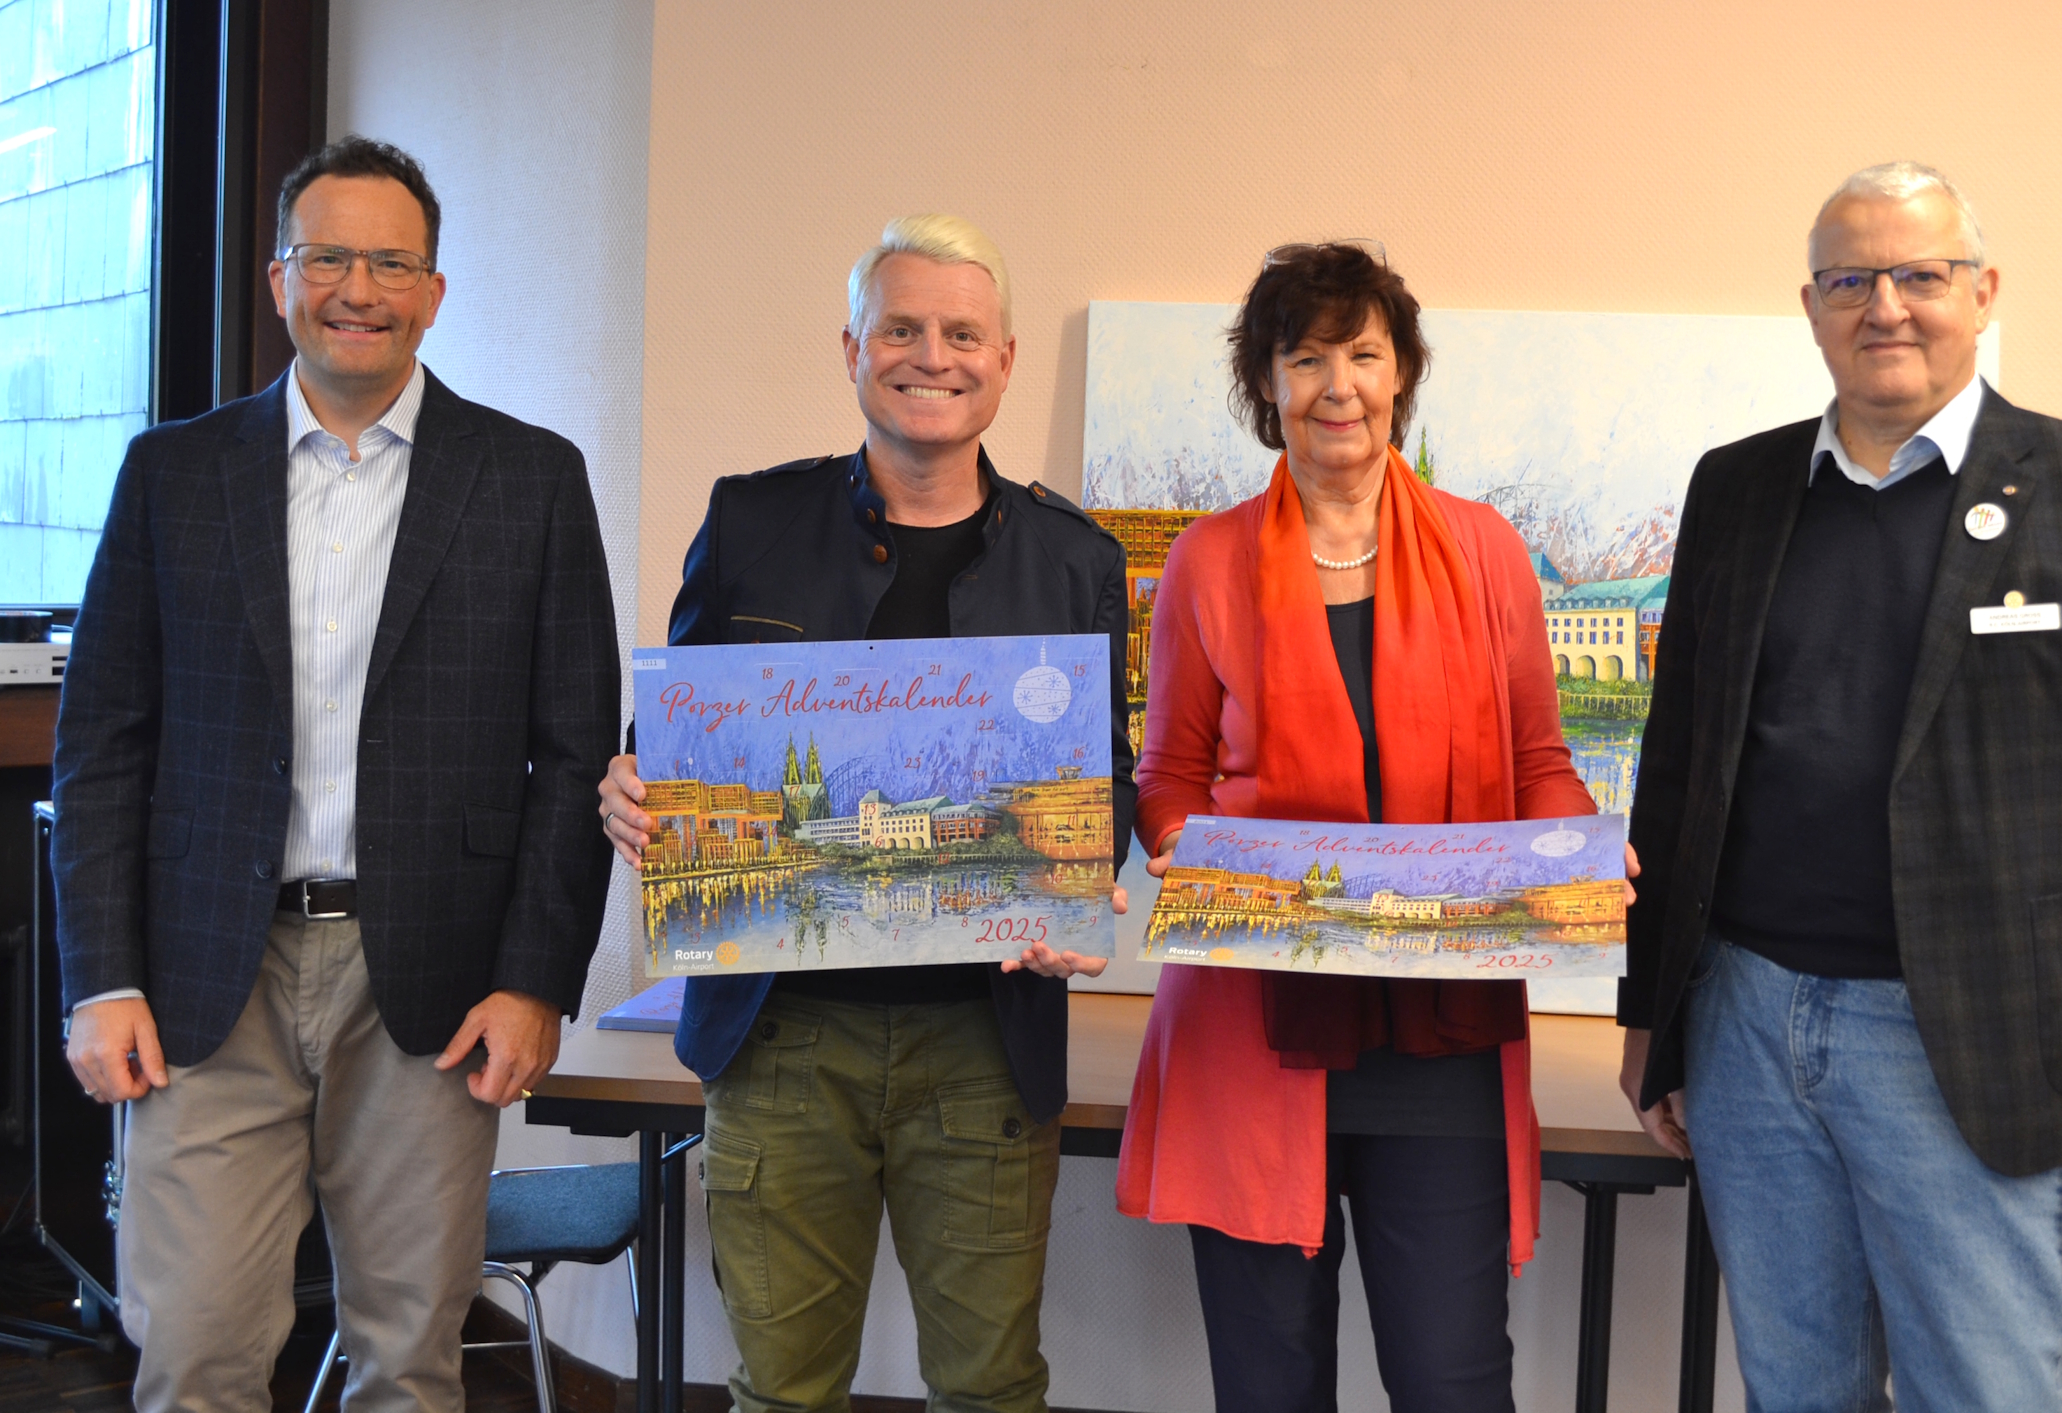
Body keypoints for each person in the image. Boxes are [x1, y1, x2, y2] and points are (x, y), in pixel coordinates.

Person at [1620, 161, 2062, 1411]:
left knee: (1987, 1394)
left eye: (1918, 274)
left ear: (1981, 291)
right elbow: (1677, 768)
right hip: (1747, 1019)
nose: (1883, 305)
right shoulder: (1735, 489)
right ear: (1810, 304)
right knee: (1798, 1389)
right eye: (1850, 279)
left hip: (1968, 1042)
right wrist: (1654, 1018)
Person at [52, 136, 621, 1410]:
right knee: (192, 1350)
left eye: (391, 261)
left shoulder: (530, 480)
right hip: (206, 975)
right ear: (277, 278)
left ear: (432, 291)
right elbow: (101, 747)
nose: (356, 286)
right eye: (327, 256)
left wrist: (537, 981)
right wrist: (101, 979)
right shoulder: (171, 476)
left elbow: (574, 753)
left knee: (411, 1359)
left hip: (425, 979)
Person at [596, 214, 1133, 1413]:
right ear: (851, 349)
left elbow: (1110, 777)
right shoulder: (751, 522)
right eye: (899, 328)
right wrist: (628, 784)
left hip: (985, 1043)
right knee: (781, 1390)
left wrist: (1091, 864)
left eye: (959, 334)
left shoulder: (1071, 557)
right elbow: (675, 742)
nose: (928, 355)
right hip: (781, 1038)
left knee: (990, 1386)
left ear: (1001, 363)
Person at [1114, 242, 1600, 1413]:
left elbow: (1540, 763)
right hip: (1257, 1025)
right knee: (1271, 1385)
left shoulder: (1485, 549)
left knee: (1452, 1381)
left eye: (1365, 355)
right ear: (1266, 385)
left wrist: (1580, 860)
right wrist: (1179, 842)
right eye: (1307, 357)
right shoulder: (1207, 559)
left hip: (1442, 1032)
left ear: (1401, 376)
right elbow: (1167, 774)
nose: (1340, 384)